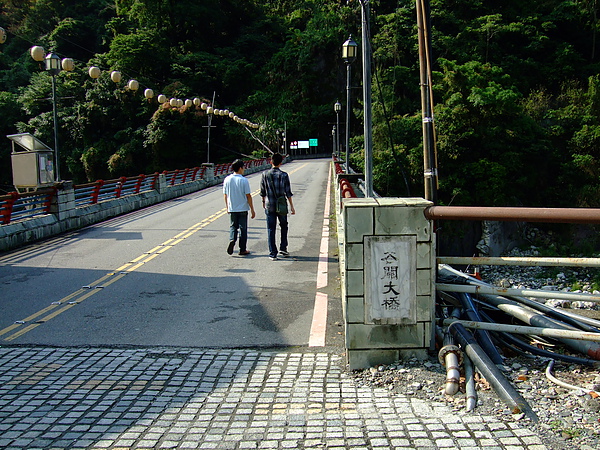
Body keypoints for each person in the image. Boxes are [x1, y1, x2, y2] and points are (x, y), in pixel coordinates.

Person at [260, 153, 295, 260]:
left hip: (269, 205)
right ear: (281, 163)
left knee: (271, 228)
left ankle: (273, 253)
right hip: (281, 206)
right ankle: (283, 248)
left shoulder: (265, 174)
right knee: (284, 225)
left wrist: (263, 202)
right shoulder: (284, 175)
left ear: (271, 161)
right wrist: (292, 206)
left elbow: (262, 192)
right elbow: (288, 192)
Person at [223, 159, 255, 256]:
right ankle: (242, 249)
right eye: (243, 167)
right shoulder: (243, 180)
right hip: (243, 208)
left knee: (233, 226)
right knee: (243, 229)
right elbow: (248, 196)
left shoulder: (227, 179)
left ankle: (232, 239)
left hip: (232, 208)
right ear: (240, 168)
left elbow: (225, 195)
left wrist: (227, 207)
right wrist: (252, 209)